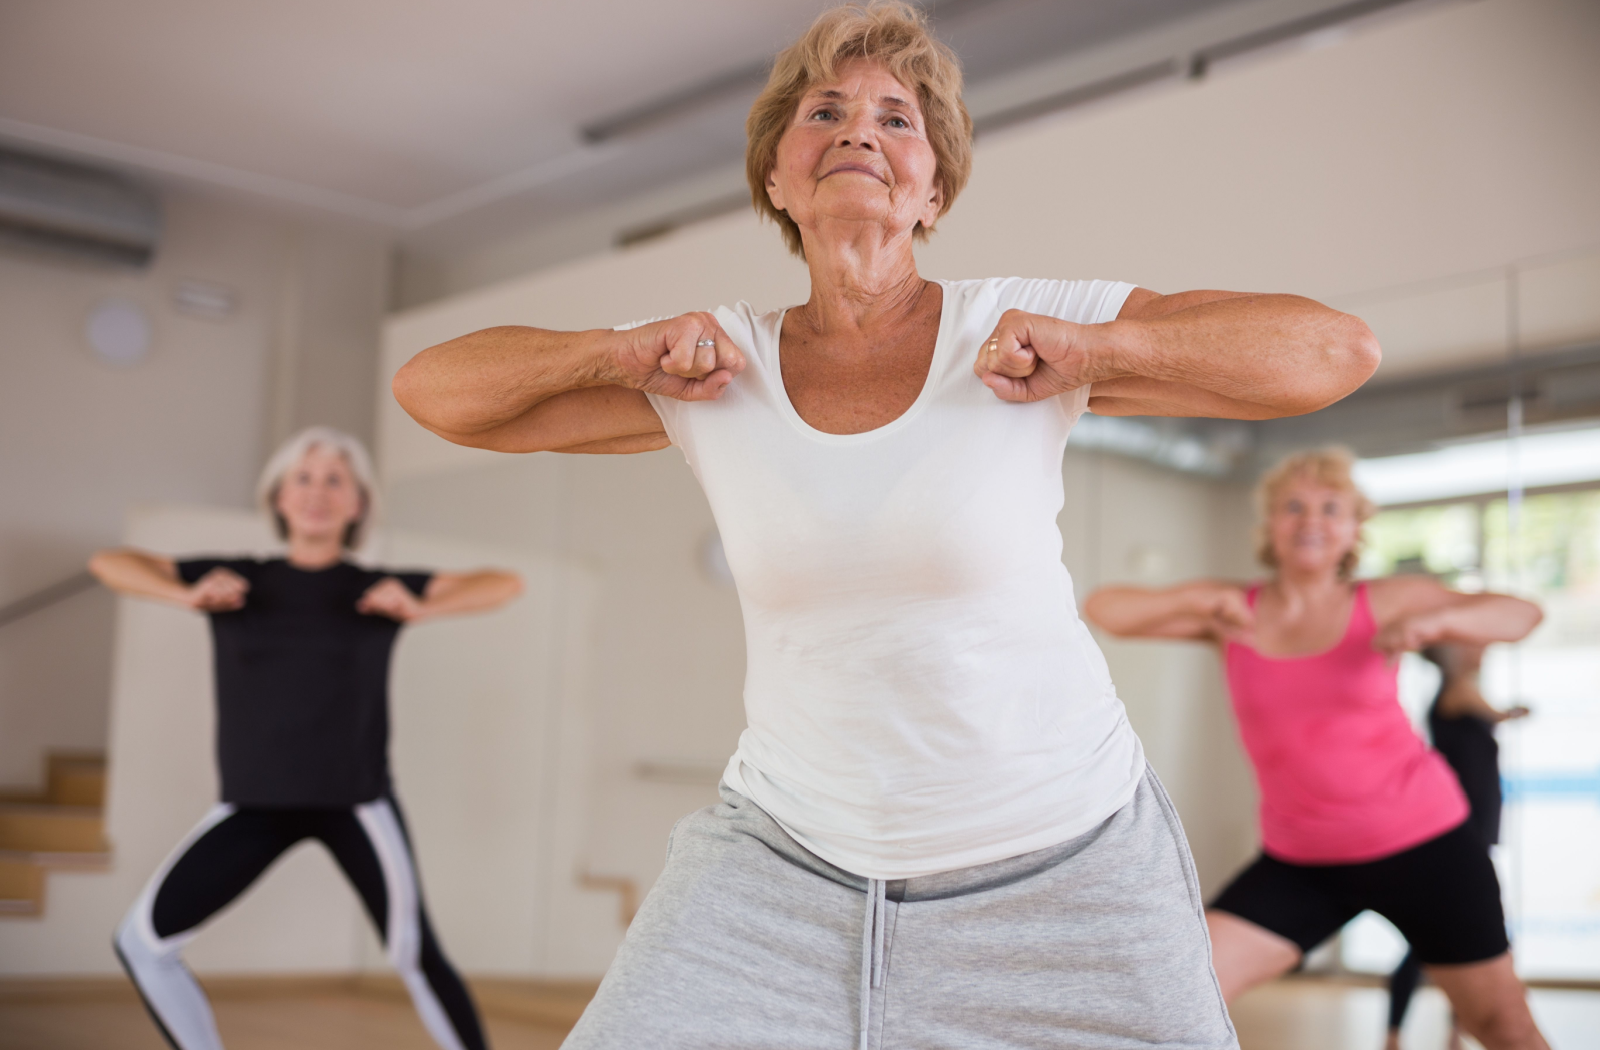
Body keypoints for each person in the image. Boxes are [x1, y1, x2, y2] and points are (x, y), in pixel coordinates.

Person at [393, 4, 1380, 1046]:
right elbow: (431, 391)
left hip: (1066, 862)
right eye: (825, 111)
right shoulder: (708, 368)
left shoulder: (1023, 324)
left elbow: (1332, 353)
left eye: (896, 119)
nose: (859, 130)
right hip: (779, 864)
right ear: (775, 178)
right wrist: (610, 355)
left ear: (932, 190)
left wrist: (1099, 349)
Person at [1084, 448, 1548, 1050]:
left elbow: (1522, 614)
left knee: (1500, 1026)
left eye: (1332, 509)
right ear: (1271, 526)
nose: (1312, 521)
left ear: (1355, 529)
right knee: (1173, 994)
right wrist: (1192, 606)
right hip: (1300, 862)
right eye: (1293, 507)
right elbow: (1105, 609)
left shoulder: (1386, 600)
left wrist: (1431, 626)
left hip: (1425, 847)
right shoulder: (1235, 612)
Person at [90, 426, 521, 1050]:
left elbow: (504, 582)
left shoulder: (374, 589)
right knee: (141, 943)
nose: (317, 492)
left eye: (334, 481)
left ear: (357, 504)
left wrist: (419, 607)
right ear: (279, 497)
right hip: (252, 804)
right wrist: (186, 596)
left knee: (412, 953)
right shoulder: (236, 580)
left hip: (357, 804)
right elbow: (111, 563)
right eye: (303, 477)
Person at [1386, 642, 1529, 1050]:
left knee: (1463, 931)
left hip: (1472, 824)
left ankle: (1450, 1032)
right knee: (1442, 934)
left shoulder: (1460, 691)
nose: (1480, 651)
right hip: (1455, 826)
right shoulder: (1459, 690)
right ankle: (1399, 1034)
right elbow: (1501, 714)